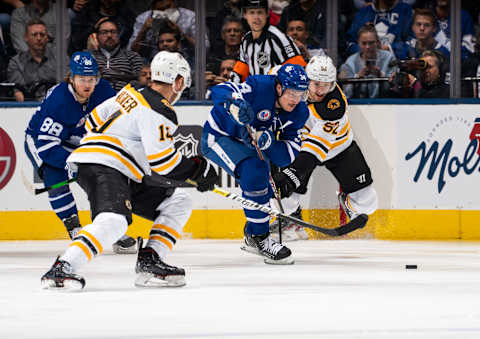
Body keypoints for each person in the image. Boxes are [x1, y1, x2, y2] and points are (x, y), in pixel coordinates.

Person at [40, 51, 218, 290]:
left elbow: (92, 120)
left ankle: (150, 259)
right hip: (106, 165)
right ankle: (63, 267)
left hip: (114, 167)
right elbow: (164, 163)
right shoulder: (160, 110)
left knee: (179, 201)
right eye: (183, 84)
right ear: (177, 81)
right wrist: (197, 169)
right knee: (114, 220)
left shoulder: (131, 91)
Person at [201, 63, 310, 264]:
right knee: (255, 171)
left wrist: (269, 143)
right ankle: (259, 238)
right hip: (219, 136)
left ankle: (253, 232)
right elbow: (219, 90)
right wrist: (235, 104)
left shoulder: (300, 113)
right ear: (279, 87)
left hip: (249, 143)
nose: (296, 99)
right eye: (292, 92)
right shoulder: (260, 87)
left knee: (264, 187)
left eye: (301, 94)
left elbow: (288, 155)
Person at [271, 56, 378, 241]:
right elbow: (269, 79)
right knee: (284, 196)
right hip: (301, 145)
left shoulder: (333, 106)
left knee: (368, 202)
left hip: (338, 148)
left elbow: (316, 147)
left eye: (326, 85)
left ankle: (348, 202)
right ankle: (291, 222)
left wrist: (294, 173)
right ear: (306, 79)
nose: (321, 90)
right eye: (316, 84)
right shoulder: (291, 80)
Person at [231, 0, 306, 83]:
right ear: (245, 15)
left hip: (276, 93)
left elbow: (299, 70)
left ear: (267, 14)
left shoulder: (278, 37)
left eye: (260, 12)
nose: (256, 17)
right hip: (255, 92)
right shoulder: (246, 39)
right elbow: (240, 71)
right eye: (252, 13)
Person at [7, 19, 62, 101]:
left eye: (42, 34)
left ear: (47, 37)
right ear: (26, 38)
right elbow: (19, 90)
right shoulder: (16, 62)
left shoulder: (61, 59)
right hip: (28, 106)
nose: (39, 38)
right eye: (34, 34)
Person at [339, 24, 396, 99]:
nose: (368, 47)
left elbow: (395, 89)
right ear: (358, 43)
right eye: (364, 43)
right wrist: (357, 77)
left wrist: (381, 75)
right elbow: (346, 94)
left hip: (385, 103)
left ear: (377, 42)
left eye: (371, 43)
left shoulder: (389, 58)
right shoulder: (350, 63)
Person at [89, 18, 143, 92]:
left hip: (123, 98)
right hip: (95, 98)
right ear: (97, 36)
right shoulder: (88, 57)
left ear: (118, 35)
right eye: (104, 32)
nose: (109, 35)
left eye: (113, 32)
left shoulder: (132, 56)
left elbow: (141, 82)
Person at [346, 0, 413, 59]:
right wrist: (366, 51)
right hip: (366, 66)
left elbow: (413, 42)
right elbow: (350, 43)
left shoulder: (405, 11)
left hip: (395, 65)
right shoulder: (364, 13)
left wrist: (389, 49)